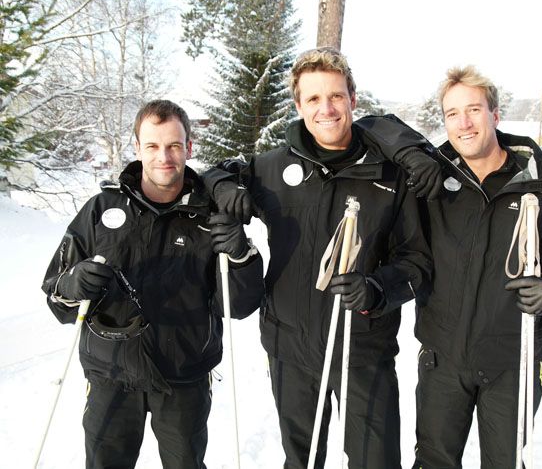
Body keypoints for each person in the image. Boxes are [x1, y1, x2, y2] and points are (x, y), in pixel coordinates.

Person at [204, 47, 432, 469]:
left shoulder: (390, 174)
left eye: (335, 97)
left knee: (376, 461)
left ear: (352, 100)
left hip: (363, 346)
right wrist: (222, 188)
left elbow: (417, 261)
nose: (325, 109)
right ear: (298, 105)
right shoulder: (272, 168)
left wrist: (378, 289)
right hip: (289, 344)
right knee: (303, 460)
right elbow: (213, 174)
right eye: (312, 99)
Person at [369, 65, 542, 468]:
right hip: (443, 359)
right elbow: (371, 124)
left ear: (495, 114)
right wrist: (410, 153)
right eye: (452, 113)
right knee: (433, 461)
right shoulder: (433, 179)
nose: (464, 123)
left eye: (474, 109)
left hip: (514, 360)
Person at [41, 99, 264, 468]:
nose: (165, 156)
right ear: (137, 148)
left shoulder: (211, 216)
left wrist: (241, 255)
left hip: (184, 376)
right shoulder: (102, 209)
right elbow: (56, 295)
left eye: (175, 145)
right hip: (111, 372)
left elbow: (237, 307)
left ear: (189, 147)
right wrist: (73, 283)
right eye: (153, 145)